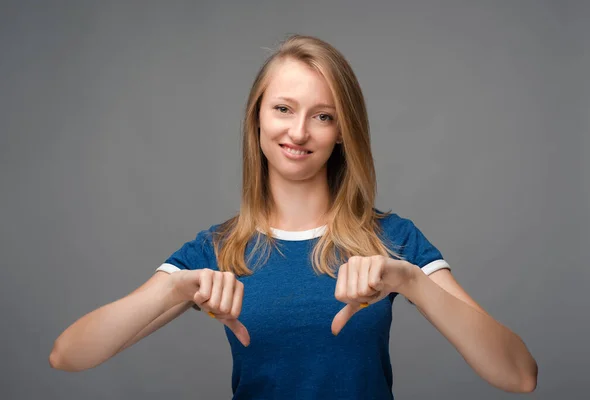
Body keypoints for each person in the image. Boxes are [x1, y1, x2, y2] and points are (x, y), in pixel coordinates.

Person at [49, 35, 538, 398]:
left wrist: (411, 281)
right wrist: (173, 289)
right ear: (257, 117)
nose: (299, 132)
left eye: (323, 116)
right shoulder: (215, 251)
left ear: (344, 131)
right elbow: (68, 355)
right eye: (284, 108)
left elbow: (518, 375)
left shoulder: (393, 240)